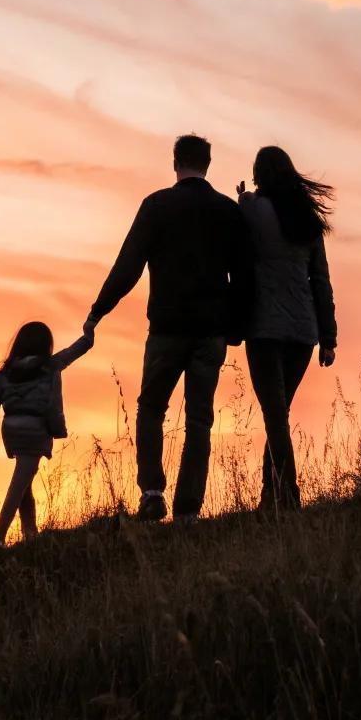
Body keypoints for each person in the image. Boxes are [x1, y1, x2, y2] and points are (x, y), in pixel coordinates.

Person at [84, 133, 253, 523]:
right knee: (199, 418)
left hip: (166, 328)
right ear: (207, 164)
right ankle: (189, 510)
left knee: (151, 408)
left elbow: (128, 265)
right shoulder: (228, 212)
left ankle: (152, 492)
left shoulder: (157, 205)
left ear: (175, 162)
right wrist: (237, 327)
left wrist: (98, 311)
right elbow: (244, 277)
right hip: (211, 330)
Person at [237, 146, 337, 512]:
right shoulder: (308, 219)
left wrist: (243, 198)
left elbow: (243, 243)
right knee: (277, 413)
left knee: (275, 415)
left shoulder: (251, 208)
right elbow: (321, 281)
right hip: (303, 332)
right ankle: (270, 497)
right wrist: (328, 338)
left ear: (259, 174)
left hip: (264, 329)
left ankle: (289, 496)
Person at [0, 320, 93, 547]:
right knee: (19, 484)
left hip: (12, 428)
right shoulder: (50, 366)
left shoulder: (7, 371)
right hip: (35, 428)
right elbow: (75, 351)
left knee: (25, 483)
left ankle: (30, 535)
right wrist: (89, 333)